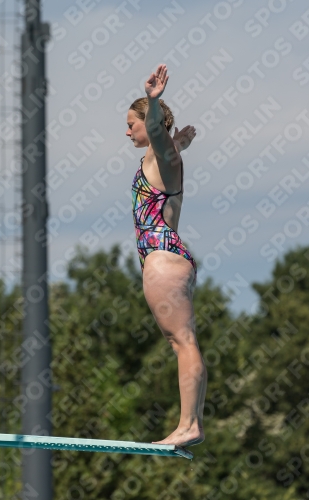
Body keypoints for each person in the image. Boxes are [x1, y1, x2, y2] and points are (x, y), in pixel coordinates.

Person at [128, 64, 207, 447]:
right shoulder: (166, 159)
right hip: (163, 256)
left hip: (162, 255)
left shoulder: (160, 153)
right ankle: (187, 423)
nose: (127, 131)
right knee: (180, 340)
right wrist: (181, 143)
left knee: (182, 341)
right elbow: (169, 150)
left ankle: (189, 425)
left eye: (132, 124)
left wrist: (155, 103)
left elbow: (159, 136)